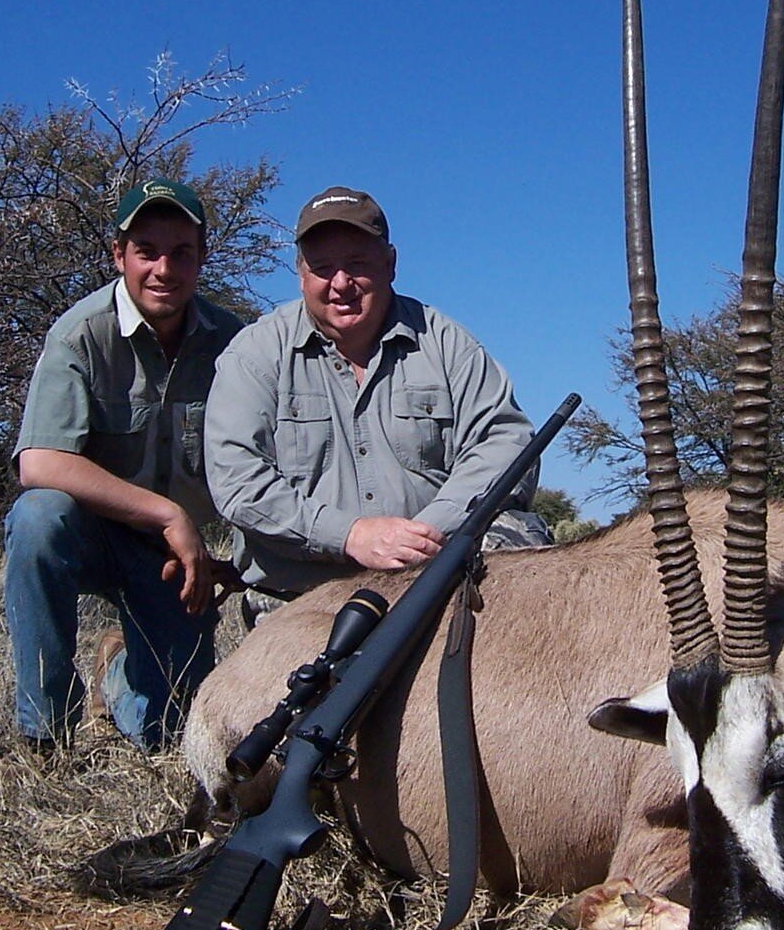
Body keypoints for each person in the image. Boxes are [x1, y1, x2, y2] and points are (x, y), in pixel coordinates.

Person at [204, 185, 549, 615]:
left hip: (433, 575)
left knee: (522, 538)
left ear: (391, 264)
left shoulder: (444, 342)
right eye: (323, 268)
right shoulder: (254, 354)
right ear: (301, 274)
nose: (341, 283)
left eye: (358, 264)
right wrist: (351, 536)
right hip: (303, 597)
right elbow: (237, 480)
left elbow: (506, 442)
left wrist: (426, 532)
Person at [5, 178, 244, 753]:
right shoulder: (79, 334)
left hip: (171, 561)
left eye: (181, 252)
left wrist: (247, 557)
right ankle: (46, 732)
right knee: (38, 518)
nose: (164, 269)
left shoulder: (236, 342)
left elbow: (263, 458)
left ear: (203, 255)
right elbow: (38, 461)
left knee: (167, 732)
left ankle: (116, 678)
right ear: (119, 256)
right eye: (147, 252)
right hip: (93, 533)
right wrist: (167, 515)